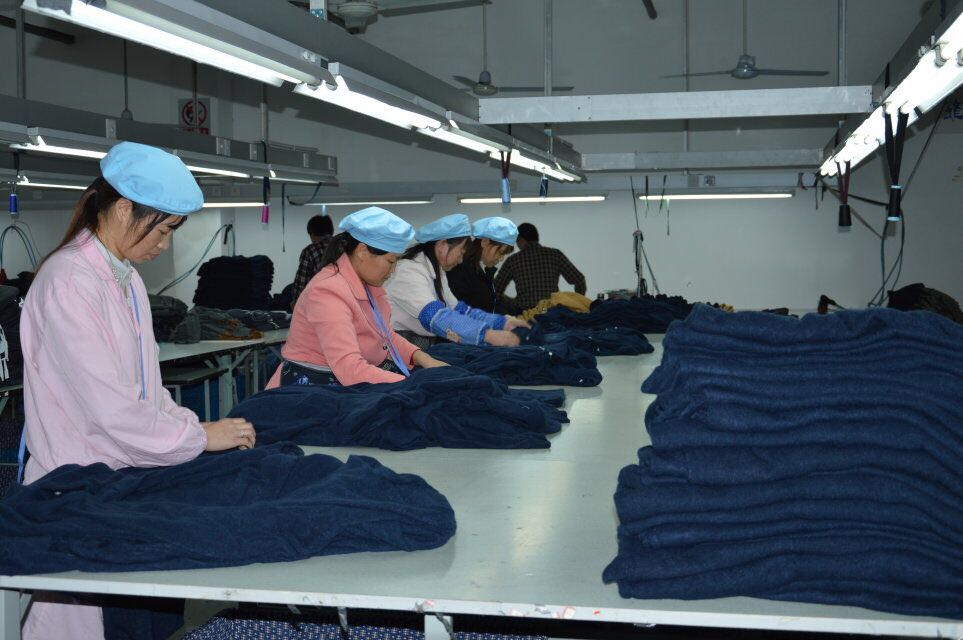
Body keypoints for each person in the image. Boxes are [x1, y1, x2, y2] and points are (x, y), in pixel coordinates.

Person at [19, 141, 256, 640]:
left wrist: (190, 426)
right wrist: (199, 437)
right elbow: (111, 410)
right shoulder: (70, 281)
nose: (165, 245)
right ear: (124, 208)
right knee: (106, 623)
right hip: (83, 483)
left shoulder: (123, 280)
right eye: (163, 229)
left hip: (123, 475)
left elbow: (148, 389)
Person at [269, 207, 447, 387]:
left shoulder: (366, 286)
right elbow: (349, 367)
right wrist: (412, 384)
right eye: (391, 261)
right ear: (362, 251)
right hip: (313, 385)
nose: (393, 271)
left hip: (345, 377)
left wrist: (424, 359)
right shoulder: (327, 292)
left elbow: (386, 337)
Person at [385, 213, 528, 350]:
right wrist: (487, 335)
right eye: (461, 252)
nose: (460, 260)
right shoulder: (409, 271)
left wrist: (502, 323)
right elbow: (434, 316)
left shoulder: (437, 271)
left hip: (421, 344)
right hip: (401, 345)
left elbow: (460, 310)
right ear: (442, 246)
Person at [494, 222, 587, 313]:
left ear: (521, 239)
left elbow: (495, 288)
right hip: (551, 312)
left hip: (525, 313)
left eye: (517, 241)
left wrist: (511, 301)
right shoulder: (555, 255)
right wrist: (576, 304)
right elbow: (579, 280)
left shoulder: (513, 260)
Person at [446, 216, 521, 316]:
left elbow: (491, 301)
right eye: (500, 252)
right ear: (485, 242)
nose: (501, 259)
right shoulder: (459, 269)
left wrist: (518, 311)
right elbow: (463, 311)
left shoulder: (483, 270)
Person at [290, 213, 334, 308]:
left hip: (318, 302)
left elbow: (302, 281)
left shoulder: (310, 251)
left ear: (312, 233)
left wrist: (296, 302)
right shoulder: (345, 247)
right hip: (343, 300)